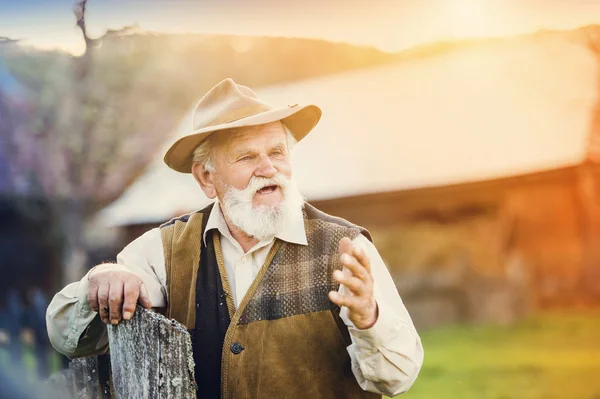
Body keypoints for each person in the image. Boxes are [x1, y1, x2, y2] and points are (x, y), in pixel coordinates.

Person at [46, 78, 424, 398]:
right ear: (207, 179)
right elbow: (67, 336)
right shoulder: (165, 251)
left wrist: (368, 319)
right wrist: (103, 281)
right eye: (246, 157)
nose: (268, 168)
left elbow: (397, 378)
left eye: (277, 152)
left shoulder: (346, 249)